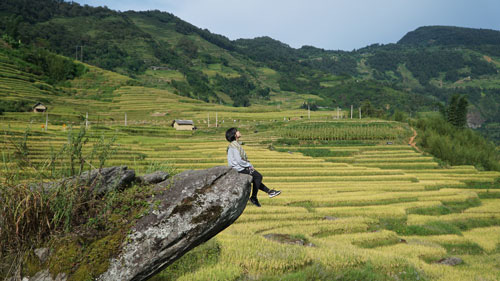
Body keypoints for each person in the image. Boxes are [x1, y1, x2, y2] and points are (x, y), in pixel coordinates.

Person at [226, 127, 281, 207]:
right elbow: (239, 160)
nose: (239, 132)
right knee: (258, 176)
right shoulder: (234, 147)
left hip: (239, 167)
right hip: (238, 169)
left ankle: (269, 192)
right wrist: (249, 165)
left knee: (256, 178)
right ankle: (254, 197)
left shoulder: (234, 145)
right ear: (235, 135)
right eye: (237, 131)